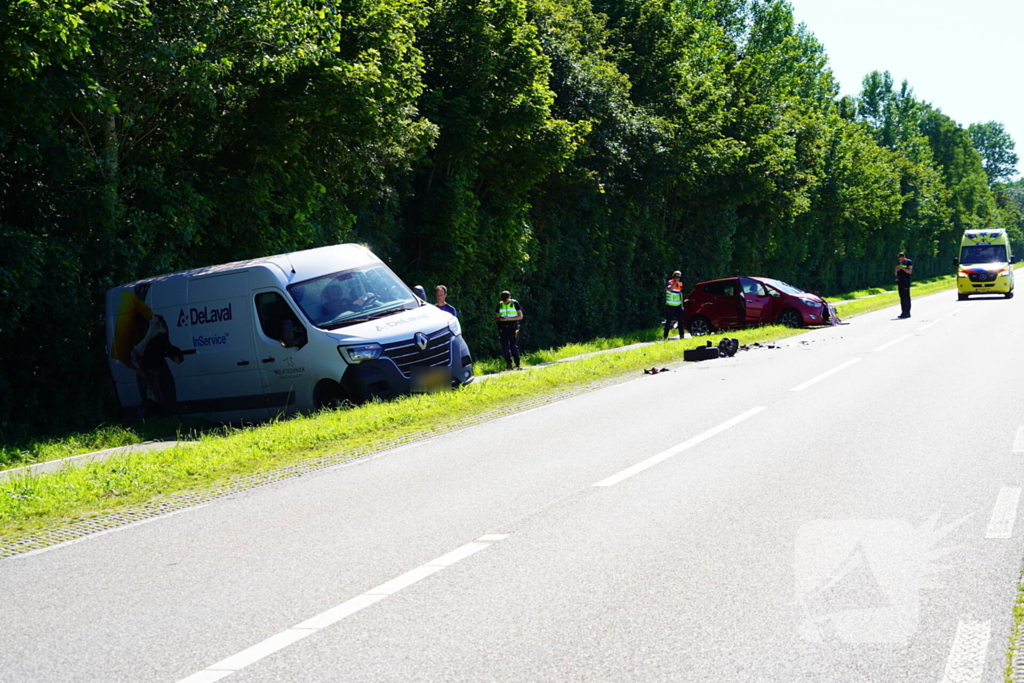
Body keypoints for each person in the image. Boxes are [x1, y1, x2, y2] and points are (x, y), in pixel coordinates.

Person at [495, 290, 524, 370]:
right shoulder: (500, 305)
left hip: (513, 326)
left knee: (513, 345)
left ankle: (518, 364)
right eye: (504, 300)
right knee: (505, 346)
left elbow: (520, 316)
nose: (505, 302)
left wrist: (509, 318)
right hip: (503, 327)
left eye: (506, 300)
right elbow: (495, 317)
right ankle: (509, 365)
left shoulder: (515, 303)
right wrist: (499, 318)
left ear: (510, 297)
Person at [663, 270, 686, 339]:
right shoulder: (670, 282)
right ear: (674, 276)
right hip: (670, 305)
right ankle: (665, 336)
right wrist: (675, 283)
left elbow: (680, 293)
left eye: (679, 277)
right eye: (677, 277)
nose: (678, 278)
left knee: (680, 321)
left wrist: (682, 304)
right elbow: (669, 289)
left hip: (678, 305)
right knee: (668, 321)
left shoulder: (680, 284)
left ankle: (682, 335)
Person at [895, 252, 913, 318]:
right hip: (900, 281)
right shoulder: (900, 263)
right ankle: (903, 312)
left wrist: (902, 268)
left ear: (904, 257)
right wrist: (896, 270)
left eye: (901, 258)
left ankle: (907, 312)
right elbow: (896, 274)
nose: (900, 260)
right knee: (901, 297)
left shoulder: (908, 262)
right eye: (899, 258)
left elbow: (909, 271)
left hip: (906, 281)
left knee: (906, 297)